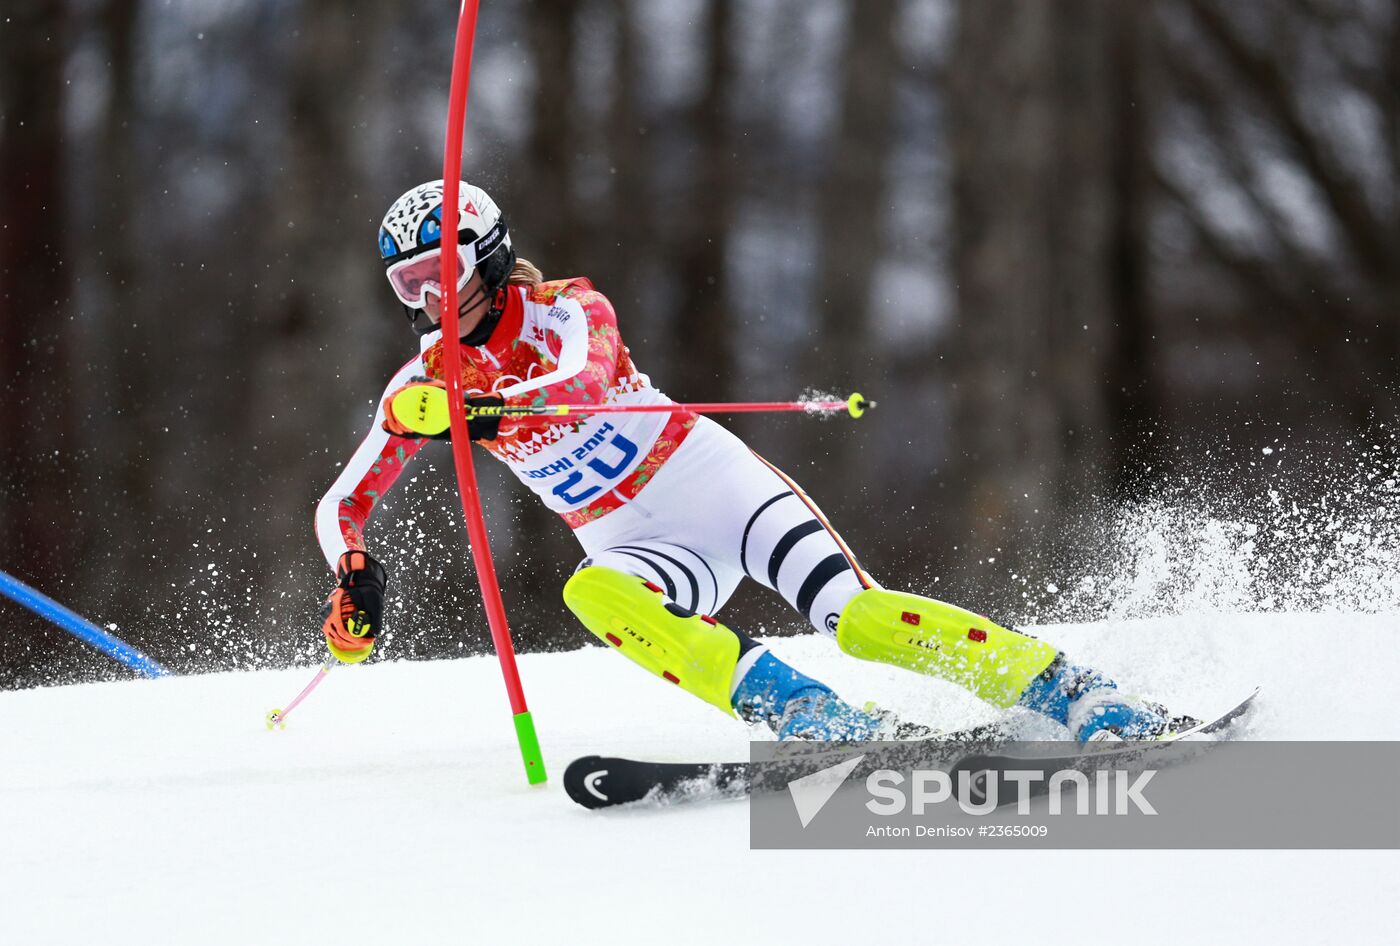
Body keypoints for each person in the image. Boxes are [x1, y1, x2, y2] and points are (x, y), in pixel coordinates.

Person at [314, 179, 1190, 743]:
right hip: (628, 537)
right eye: (409, 285)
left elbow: (582, 383)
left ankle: (1069, 690)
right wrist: (354, 573)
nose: (431, 299)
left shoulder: (567, 310)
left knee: (857, 619)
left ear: (491, 255)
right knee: (592, 592)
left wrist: (489, 409)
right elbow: (342, 502)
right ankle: (807, 711)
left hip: (713, 486)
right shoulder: (424, 384)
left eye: (441, 272)